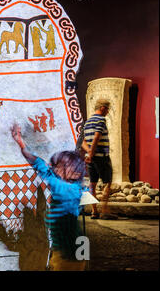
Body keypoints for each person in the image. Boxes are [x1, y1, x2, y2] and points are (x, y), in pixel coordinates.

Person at [11, 123, 87, 271]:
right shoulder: (73, 184)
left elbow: (42, 167)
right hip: (69, 248)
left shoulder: (65, 188)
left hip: (69, 252)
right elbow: (38, 163)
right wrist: (20, 142)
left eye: (59, 166)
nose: (54, 168)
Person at [81, 99, 117, 220]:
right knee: (108, 181)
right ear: (102, 108)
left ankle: (94, 211)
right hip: (102, 157)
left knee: (92, 184)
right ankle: (105, 210)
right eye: (107, 109)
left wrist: (89, 153)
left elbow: (83, 142)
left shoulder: (87, 122)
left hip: (91, 159)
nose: (107, 112)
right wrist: (92, 153)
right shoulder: (101, 120)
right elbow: (97, 136)